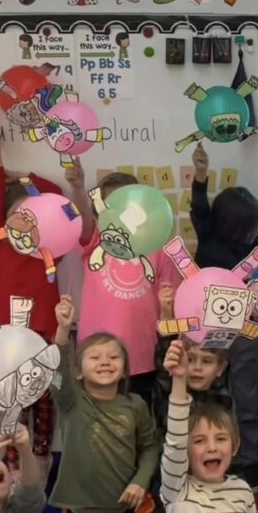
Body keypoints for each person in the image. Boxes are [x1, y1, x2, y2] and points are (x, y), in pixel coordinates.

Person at [0, 123, 94, 480]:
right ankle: (13, 464)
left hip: (46, 337)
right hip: (9, 341)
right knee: (12, 403)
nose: (24, 224)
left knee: (46, 405)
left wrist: (26, 177)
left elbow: (56, 193)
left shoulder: (51, 250)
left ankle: (40, 461)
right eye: (18, 216)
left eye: (32, 217)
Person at [50, 295, 159, 513]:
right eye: (95, 357)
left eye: (113, 357)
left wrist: (140, 482)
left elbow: (150, 448)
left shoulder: (135, 405)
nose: (105, 362)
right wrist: (63, 329)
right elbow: (56, 368)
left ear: (125, 370)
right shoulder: (72, 402)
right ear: (79, 372)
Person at [190, 141, 258, 492]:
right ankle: (205, 460)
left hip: (244, 327)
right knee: (205, 395)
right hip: (206, 326)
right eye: (249, 223)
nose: (254, 229)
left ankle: (248, 464)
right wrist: (200, 176)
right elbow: (199, 209)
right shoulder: (209, 234)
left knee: (245, 394)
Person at [141, 283, 232, 513]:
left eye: (206, 362)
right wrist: (167, 313)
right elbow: (166, 360)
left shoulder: (223, 399)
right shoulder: (168, 387)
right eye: (191, 360)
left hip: (207, 491)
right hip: (170, 492)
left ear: (219, 369)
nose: (195, 368)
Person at [159, 340, 258, 513]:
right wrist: (178, 379)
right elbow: (176, 440)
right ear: (186, 452)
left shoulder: (242, 490)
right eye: (199, 441)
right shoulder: (178, 489)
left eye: (220, 439)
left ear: (235, 446)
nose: (211, 447)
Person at [77, 172, 179, 410]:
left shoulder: (160, 247)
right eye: (110, 207)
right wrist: (78, 188)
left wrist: (168, 310)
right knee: (97, 427)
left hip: (143, 358)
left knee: (139, 425)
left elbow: (172, 302)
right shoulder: (96, 241)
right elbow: (83, 217)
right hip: (97, 356)